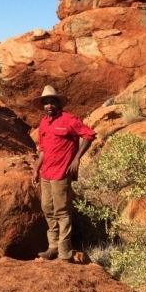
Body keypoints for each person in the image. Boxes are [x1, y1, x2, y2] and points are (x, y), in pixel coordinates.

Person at [30, 85, 96, 262]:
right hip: (46, 173)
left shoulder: (69, 119)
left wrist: (77, 159)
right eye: (46, 103)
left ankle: (65, 253)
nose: (49, 105)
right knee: (47, 209)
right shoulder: (44, 122)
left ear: (58, 104)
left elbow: (89, 135)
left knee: (62, 211)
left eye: (52, 102)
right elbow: (42, 149)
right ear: (43, 106)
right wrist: (36, 169)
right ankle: (52, 247)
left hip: (61, 173)